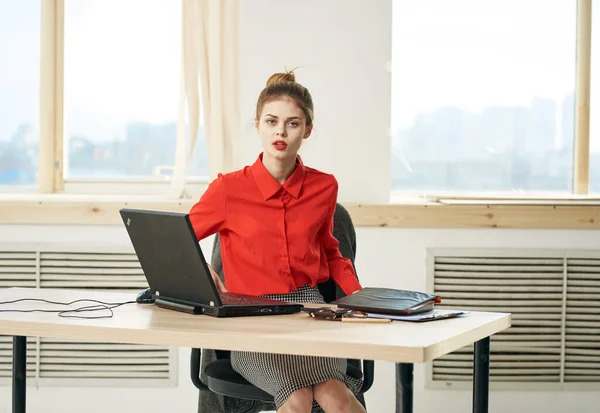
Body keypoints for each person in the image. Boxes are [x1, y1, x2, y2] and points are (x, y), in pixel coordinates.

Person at [188, 70, 366, 413]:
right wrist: (201, 272)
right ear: (258, 124)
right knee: (298, 398)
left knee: (335, 395)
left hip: (309, 312)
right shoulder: (228, 189)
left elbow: (331, 250)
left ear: (308, 130)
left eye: (293, 123)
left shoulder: (324, 187)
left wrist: (360, 300)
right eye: (272, 121)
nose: (281, 132)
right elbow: (176, 240)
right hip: (251, 318)